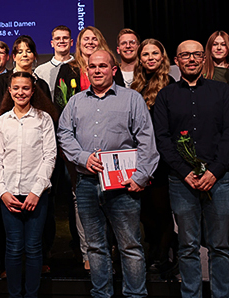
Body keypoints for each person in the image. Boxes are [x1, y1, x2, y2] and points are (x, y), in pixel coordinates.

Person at [57, 50, 157, 298]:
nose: (97, 70)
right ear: (87, 71)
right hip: (87, 183)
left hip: (122, 185)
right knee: (95, 246)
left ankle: (135, 295)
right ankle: (101, 293)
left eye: (103, 66)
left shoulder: (132, 99)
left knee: (130, 246)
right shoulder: (76, 101)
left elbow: (147, 140)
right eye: (93, 66)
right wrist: (82, 157)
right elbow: (64, 134)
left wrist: (140, 177)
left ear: (114, 70)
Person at [153, 40, 229, 298]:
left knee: (220, 246)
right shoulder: (166, 95)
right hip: (182, 181)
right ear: (176, 61)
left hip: (219, 179)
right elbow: (162, 139)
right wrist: (184, 171)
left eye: (196, 55)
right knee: (187, 246)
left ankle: (222, 295)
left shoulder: (222, 91)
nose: (191, 59)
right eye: (185, 55)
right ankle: (191, 295)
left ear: (204, 59)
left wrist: (214, 171)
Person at [0, 71, 58, 298]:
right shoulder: (2, 122)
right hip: (9, 195)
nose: (21, 92)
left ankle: (31, 295)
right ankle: (14, 294)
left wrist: (36, 192)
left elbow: (50, 157)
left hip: (36, 195)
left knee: (32, 247)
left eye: (26, 88)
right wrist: (2, 192)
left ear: (33, 91)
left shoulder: (44, 119)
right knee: (13, 247)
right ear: (9, 91)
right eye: (16, 88)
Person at [129, 38, 178, 275]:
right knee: (145, 209)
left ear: (162, 57)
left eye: (155, 53)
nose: (150, 58)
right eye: (145, 54)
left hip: (162, 156)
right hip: (139, 155)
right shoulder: (134, 87)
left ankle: (164, 253)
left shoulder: (171, 84)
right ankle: (159, 248)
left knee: (161, 207)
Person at [53, 26, 124, 113]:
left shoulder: (112, 67)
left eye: (94, 39)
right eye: (86, 39)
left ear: (100, 43)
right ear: (79, 43)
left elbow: (121, 95)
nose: (90, 42)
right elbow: (58, 102)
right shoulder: (67, 69)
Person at [0, 35, 52, 129]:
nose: (24, 55)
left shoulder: (42, 84)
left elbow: (48, 114)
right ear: (14, 57)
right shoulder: (2, 81)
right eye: (20, 52)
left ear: (34, 56)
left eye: (28, 51)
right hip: (7, 132)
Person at [35, 25, 74, 98]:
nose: (61, 41)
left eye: (65, 38)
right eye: (57, 38)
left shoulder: (80, 67)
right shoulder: (40, 71)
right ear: (52, 43)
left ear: (71, 42)